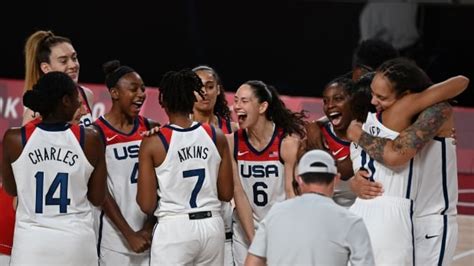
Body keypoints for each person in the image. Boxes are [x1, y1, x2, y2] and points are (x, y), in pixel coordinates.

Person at [347, 58, 468, 265]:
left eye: (381, 96)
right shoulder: (386, 117)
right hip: (404, 216)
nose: (374, 101)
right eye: (373, 94)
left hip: (431, 218)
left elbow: (395, 155)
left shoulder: (437, 111)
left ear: (406, 95)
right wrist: (354, 181)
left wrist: (357, 134)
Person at [1, 71, 106, 265]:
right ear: (66, 101)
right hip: (76, 245)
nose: (80, 105)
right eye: (76, 98)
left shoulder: (14, 138)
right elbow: (98, 197)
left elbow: (11, 189)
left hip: (31, 246)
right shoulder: (90, 139)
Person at [137, 69, 233, 265]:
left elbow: (146, 204)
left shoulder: (154, 142)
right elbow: (226, 193)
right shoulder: (216, 135)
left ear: (162, 101)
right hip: (212, 227)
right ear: (193, 98)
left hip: (175, 227)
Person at [245, 149, 375, 266]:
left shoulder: (275, 213)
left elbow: (252, 263)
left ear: (299, 180)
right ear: (336, 180)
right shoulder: (351, 222)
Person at [229, 80, 306, 265]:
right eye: (236, 100)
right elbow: (238, 194)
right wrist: (254, 241)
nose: (236, 106)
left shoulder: (286, 141)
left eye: (244, 101)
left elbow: (291, 193)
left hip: (281, 226)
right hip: (246, 228)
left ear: (262, 107)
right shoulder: (231, 142)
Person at [93, 60, 160, 265]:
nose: (141, 94)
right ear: (114, 93)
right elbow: (101, 191)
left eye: (142, 89)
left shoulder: (151, 128)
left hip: (151, 237)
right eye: (133, 89)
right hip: (114, 241)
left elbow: (162, 184)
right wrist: (129, 234)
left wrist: (148, 228)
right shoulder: (96, 133)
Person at [192, 65, 238, 266]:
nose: (204, 93)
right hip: (188, 225)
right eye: (198, 87)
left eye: (210, 86)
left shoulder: (233, 130)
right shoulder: (177, 130)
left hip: (225, 222)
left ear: (218, 90)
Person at [22, 30, 94, 126]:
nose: (73, 65)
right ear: (46, 68)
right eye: (63, 61)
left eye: (74, 58)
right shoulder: (35, 112)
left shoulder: (86, 94)